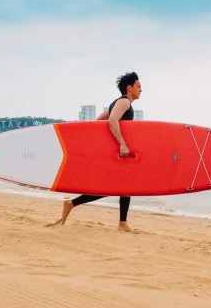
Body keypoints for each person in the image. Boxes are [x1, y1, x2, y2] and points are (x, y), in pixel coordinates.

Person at [47, 71, 142, 232]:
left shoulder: (117, 103)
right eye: (139, 86)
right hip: (118, 152)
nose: (141, 90)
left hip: (116, 154)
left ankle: (122, 223)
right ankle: (73, 204)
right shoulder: (125, 103)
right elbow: (112, 120)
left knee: (124, 185)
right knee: (117, 186)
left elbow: (98, 122)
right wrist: (122, 144)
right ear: (129, 87)